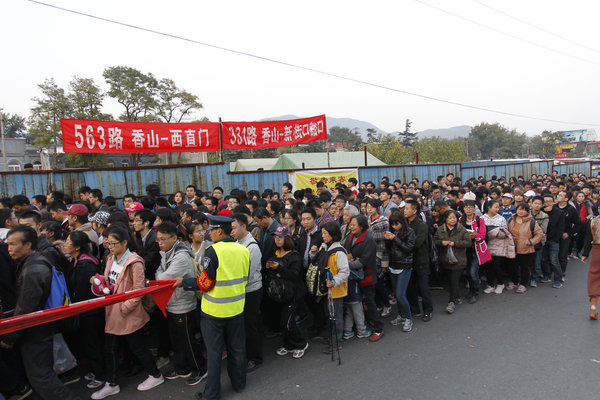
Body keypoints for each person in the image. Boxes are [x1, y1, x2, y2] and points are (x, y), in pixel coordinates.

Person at [173, 215, 249, 400]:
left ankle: (212, 394)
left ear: (219, 231)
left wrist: (185, 282)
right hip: (237, 309)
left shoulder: (213, 251)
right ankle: (239, 384)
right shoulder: (243, 250)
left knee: (214, 354)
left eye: (211, 231)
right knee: (237, 349)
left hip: (214, 312)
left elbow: (206, 283)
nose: (209, 234)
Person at [0, 225, 81, 400]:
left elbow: (25, 308)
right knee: (39, 376)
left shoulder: (33, 270)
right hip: (40, 326)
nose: (9, 249)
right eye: (8, 244)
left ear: (28, 244)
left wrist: (9, 337)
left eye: (14, 244)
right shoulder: (34, 262)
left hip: (36, 329)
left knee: (41, 377)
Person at [91, 227, 164, 399]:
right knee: (112, 348)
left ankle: (155, 375)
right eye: (108, 243)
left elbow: (138, 290)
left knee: (137, 347)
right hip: (113, 311)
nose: (110, 247)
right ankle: (112, 382)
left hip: (127, 312)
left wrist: (125, 308)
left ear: (124, 242)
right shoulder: (111, 258)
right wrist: (99, 280)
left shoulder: (134, 262)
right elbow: (110, 280)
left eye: (114, 243)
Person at [154, 222, 207, 386]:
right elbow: (159, 273)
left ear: (174, 238)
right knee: (176, 339)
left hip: (183, 304)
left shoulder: (182, 256)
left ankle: (200, 369)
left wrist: (160, 276)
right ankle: (182, 367)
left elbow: (163, 278)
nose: (160, 243)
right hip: (172, 303)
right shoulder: (166, 253)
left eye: (163, 239)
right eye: (158, 239)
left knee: (188, 340)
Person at [63, 231, 105, 390]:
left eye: (68, 242)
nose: (65, 245)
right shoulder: (78, 260)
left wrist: (73, 306)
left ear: (77, 247)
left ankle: (101, 375)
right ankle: (97, 371)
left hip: (91, 311)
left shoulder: (85, 264)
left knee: (94, 343)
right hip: (87, 310)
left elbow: (80, 291)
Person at [267, 226, 310, 359]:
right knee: (282, 321)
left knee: (288, 321)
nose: (277, 240)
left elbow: (295, 275)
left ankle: (301, 343)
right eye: (275, 237)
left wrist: (279, 267)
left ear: (287, 239)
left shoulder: (294, 256)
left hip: (293, 294)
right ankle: (289, 345)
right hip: (280, 294)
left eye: (280, 237)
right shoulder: (275, 253)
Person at [230, 214, 263, 372]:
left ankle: (255, 358)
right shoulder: (237, 243)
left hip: (251, 290)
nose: (232, 231)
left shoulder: (252, 246)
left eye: (235, 227)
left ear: (244, 227)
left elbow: (247, 274)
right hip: (239, 290)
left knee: (251, 325)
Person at [344, 215, 384, 342]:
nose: (351, 227)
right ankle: (362, 326)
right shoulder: (350, 236)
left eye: (354, 225)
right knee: (356, 303)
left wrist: (346, 264)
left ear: (361, 226)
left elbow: (363, 262)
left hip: (367, 276)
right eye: (350, 225)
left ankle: (378, 328)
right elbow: (346, 252)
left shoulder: (368, 240)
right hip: (353, 276)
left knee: (369, 303)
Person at [310, 222, 349, 353]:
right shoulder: (324, 247)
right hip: (325, 288)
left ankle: (336, 342)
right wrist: (313, 252)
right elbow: (316, 261)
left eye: (326, 234)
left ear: (333, 234)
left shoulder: (339, 252)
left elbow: (344, 272)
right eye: (322, 234)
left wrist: (334, 281)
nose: (323, 236)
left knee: (336, 316)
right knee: (330, 315)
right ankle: (332, 337)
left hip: (336, 289)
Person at [434, 210, 472, 313]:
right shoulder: (441, 229)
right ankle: (457, 296)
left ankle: (451, 302)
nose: (452, 220)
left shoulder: (461, 229)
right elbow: (435, 241)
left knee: (454, 281)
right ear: (445, 219)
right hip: (445, 259)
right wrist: (442, 243)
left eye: (454, 218)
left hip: (458, 259)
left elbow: (468, 242)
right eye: (450, 218)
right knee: (448, 281)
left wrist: (455, 243)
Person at [384, 212, 415, 331]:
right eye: (392, 224)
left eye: (397, 224)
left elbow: (408, 249)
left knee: (401, 295)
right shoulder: (392, 232)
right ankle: (401, 315)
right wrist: (387, 239)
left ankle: (408, 318)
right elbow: (389, 249)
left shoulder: (410, 232)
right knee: (397, 294)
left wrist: (395, 239)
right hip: (393, 265)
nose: (395, 227)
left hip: (404, 266)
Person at [404, 199, 434, 321]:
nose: (404, 211)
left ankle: (428, 310)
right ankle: (414, 309)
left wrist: (402, 243)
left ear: (414, 211)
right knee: (411, 287)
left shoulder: (422, 225)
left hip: (421, 261)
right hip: (409, 262)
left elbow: (416, 244)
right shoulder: (406, 223)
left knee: (423, 287)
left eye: (406, 209)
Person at [507, 203, 544, 294]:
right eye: (519, 209)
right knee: (512, 266)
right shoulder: (511, 220)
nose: (521, 211)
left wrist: (531, 242)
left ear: (527, 211)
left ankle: (523, 284)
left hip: (525, 248)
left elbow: (539, 234)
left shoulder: (531, 222)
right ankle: (515, 281)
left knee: (525, 267)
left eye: (523, 210)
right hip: (512, 247)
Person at [459, 200, 491, 303]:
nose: (468, 209)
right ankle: (472, 290)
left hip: (476, 250)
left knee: (473, 272)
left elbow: (482, 235)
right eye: (466, 207)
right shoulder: (460, 220)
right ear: (463, 209)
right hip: (465, 250)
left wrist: (474, 236)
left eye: (470, 207)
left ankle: (475, 291)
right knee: (467, 272)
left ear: (474, 208)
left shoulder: (479, 220)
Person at [482, 200, 514, 295]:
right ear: (489, 207)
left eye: (498, 207)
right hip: (486, 245)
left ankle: (500, 283)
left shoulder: (501, 219)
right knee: (488, 267)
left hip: (498, 246)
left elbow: (505, 232)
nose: (497, 209)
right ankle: (490, 284)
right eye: (495, 207)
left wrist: (494, 232)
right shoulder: (482, 218)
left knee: (497, 266)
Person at [582, 217, 600, 319]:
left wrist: (585, 254)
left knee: (594, 277)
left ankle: (593, 306)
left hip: (597, 251)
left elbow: (588, 239)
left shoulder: (594, 221)